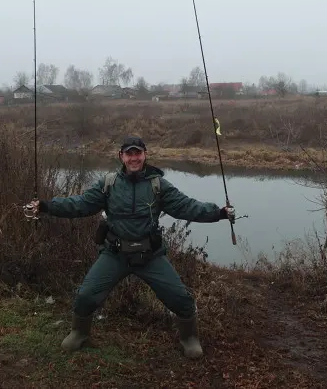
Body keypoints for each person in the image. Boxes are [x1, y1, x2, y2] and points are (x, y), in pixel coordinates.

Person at [25, 135, 235, 359]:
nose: (134, 158)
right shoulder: (108, 184)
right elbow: (80, 204)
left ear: (145, 155)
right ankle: (79, 332)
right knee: (85, 296)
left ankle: (189, 338)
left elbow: (187, 207)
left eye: (138, 153)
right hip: (116, 254)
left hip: (150, 255)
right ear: (121, 156)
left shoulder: (158, 185)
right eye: (129, 154)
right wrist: (46, 206)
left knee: (181, 299)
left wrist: (219, 213)